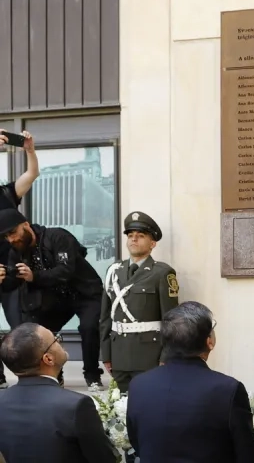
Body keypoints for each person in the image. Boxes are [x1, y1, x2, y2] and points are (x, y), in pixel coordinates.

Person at [126, 301, 254, 463]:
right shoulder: (228, 389)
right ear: (209, 341)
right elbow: (246, 454)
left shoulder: (139, 385)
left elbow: (137, 443)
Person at [0, 208, 104, 386]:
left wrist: (35, 276)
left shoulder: (57, 237)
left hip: (85, 293)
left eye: (13, 233)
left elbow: (66, 270)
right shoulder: (16, 250)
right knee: (40, 333)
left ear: (25, 225)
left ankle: (92, 375)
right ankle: (54, 374)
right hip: (56, 299)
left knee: (88, 327)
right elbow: (13, 283)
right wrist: (3, 279)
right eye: (6, 237)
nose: (11, 239)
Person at [0, 323, 117, 462]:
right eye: (56, 340)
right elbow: (104, 458)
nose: (60, 342)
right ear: (48, 359)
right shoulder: (76, 405)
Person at [100, 211, 179, 392]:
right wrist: (106, 354)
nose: (134, 239)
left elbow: (171, 320)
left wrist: (166, 356)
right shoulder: (113, 271)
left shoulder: (162, 273)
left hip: (149, 356)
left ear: (152, 244)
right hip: (118, 355)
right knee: (121, 411)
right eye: (130, 235)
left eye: (140, 236)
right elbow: (105, 318)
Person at [0, 129, 39, 389]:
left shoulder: (5, 194)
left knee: (19, 325)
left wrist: (29, 151)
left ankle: (30, 376)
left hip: (11, 268)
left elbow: (31, 174)